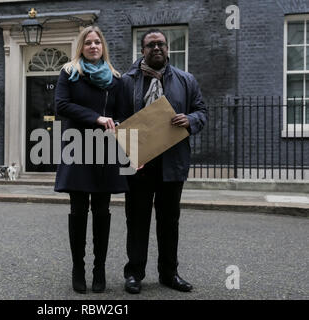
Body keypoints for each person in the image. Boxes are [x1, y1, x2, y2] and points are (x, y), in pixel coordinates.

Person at [121, 29, 207, 293]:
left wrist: (190, 120)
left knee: (169, 221)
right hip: (140, 164)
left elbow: (202, 111)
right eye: (150, 45)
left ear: (167, 49)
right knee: (137, 220)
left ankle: (169, 273)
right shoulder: (127, 81)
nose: (156, 48)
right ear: (143, 50)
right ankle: (134, 274)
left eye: (161, 44)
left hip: (172, 162)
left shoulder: (186, 80)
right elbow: (118, 120)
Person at [54, 26, 129, 294]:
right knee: (78, 211)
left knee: (101, 211)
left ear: (103, 46)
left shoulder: (117, 79)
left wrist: (116, 123)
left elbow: (123, 113)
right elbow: (61, 106)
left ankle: (99, 269)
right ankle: (78, 268)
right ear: (81, 47)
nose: (94, 46)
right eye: (88, 43)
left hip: (105, 151)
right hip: (77, 148)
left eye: (97, 42)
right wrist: (96, 117)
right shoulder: (70, 73)